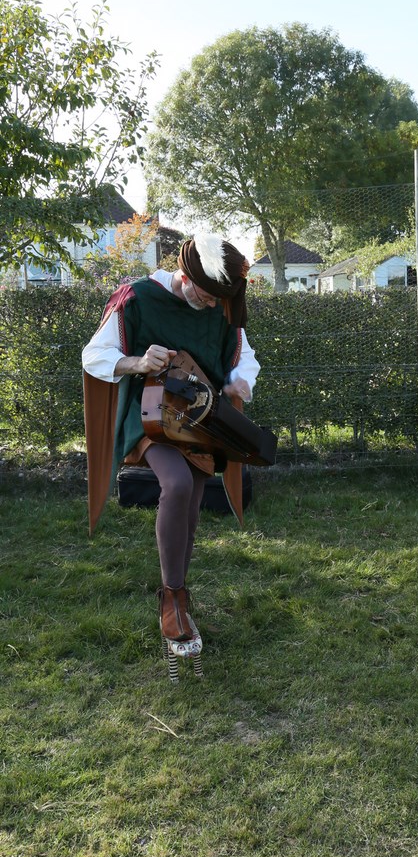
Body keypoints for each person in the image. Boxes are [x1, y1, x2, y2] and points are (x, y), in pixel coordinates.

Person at [82, 233, 260, 646]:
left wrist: (239, 384)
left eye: (221, 298)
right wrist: (139, 361)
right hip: (150, 419)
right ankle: (170, 600)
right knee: (176, 485)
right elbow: (94, 354)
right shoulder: (139, 298)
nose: (214, 304)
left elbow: (242, 355)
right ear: (186, 275)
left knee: (192, 506)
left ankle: (180, 595)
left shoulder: (220, 303)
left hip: (201, 420)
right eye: (208, 294)